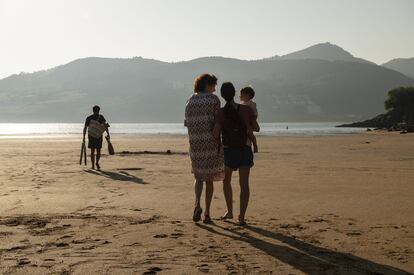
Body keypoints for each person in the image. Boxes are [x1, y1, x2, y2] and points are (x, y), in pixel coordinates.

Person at [213, 82, 259, 226]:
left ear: (222, 95)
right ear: (234, 94)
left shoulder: (220, 112)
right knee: (244, 184)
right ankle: (242, 217)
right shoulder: (246, 109)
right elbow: (256, 128)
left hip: (229, 151)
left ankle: (230, 211)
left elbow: (215, 134)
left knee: (226, 181)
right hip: (245, 149)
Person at [185, 74, 224, 223]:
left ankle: (196, 204)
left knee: (198, 176)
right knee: (209, 179)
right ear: (207, 84)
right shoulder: (213, 100)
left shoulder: (190, 100)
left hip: (195, 144)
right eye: (214, 85)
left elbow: (187, 123)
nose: (215, 89)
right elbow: (218, 121)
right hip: (211, 143)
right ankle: (207, 213)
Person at [83, 105, 110, 170]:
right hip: (98, 136)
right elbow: (105, 126)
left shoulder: (89, 118)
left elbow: (85, 128)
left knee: (92, 151)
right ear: (99, 110)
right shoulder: (101, 117)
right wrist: (108, 134)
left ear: (93, 110)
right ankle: (97, 162)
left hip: (91, 136)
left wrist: (83, 136)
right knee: (98, 151)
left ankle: (93, 166)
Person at [240, 86, 259, 153]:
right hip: (244, 123)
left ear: (247, 96)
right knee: (247, 135)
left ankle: (255, 144)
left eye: (242, 95)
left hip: (250, 123)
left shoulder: (252, 104)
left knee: (250, 133)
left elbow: (255, 114)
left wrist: (252, 122)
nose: (240, 96)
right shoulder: (242, 104)